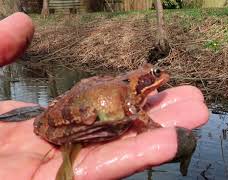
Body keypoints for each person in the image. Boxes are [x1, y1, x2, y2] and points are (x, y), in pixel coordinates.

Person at [0, 13, 208, 179]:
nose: (161, 77)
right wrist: (152, 126)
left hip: (74, 100)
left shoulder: (132, 90)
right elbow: (134, 111)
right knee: (89, 115)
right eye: (155, 74)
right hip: (83, 108)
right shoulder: (132, 98)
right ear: (144, 80)